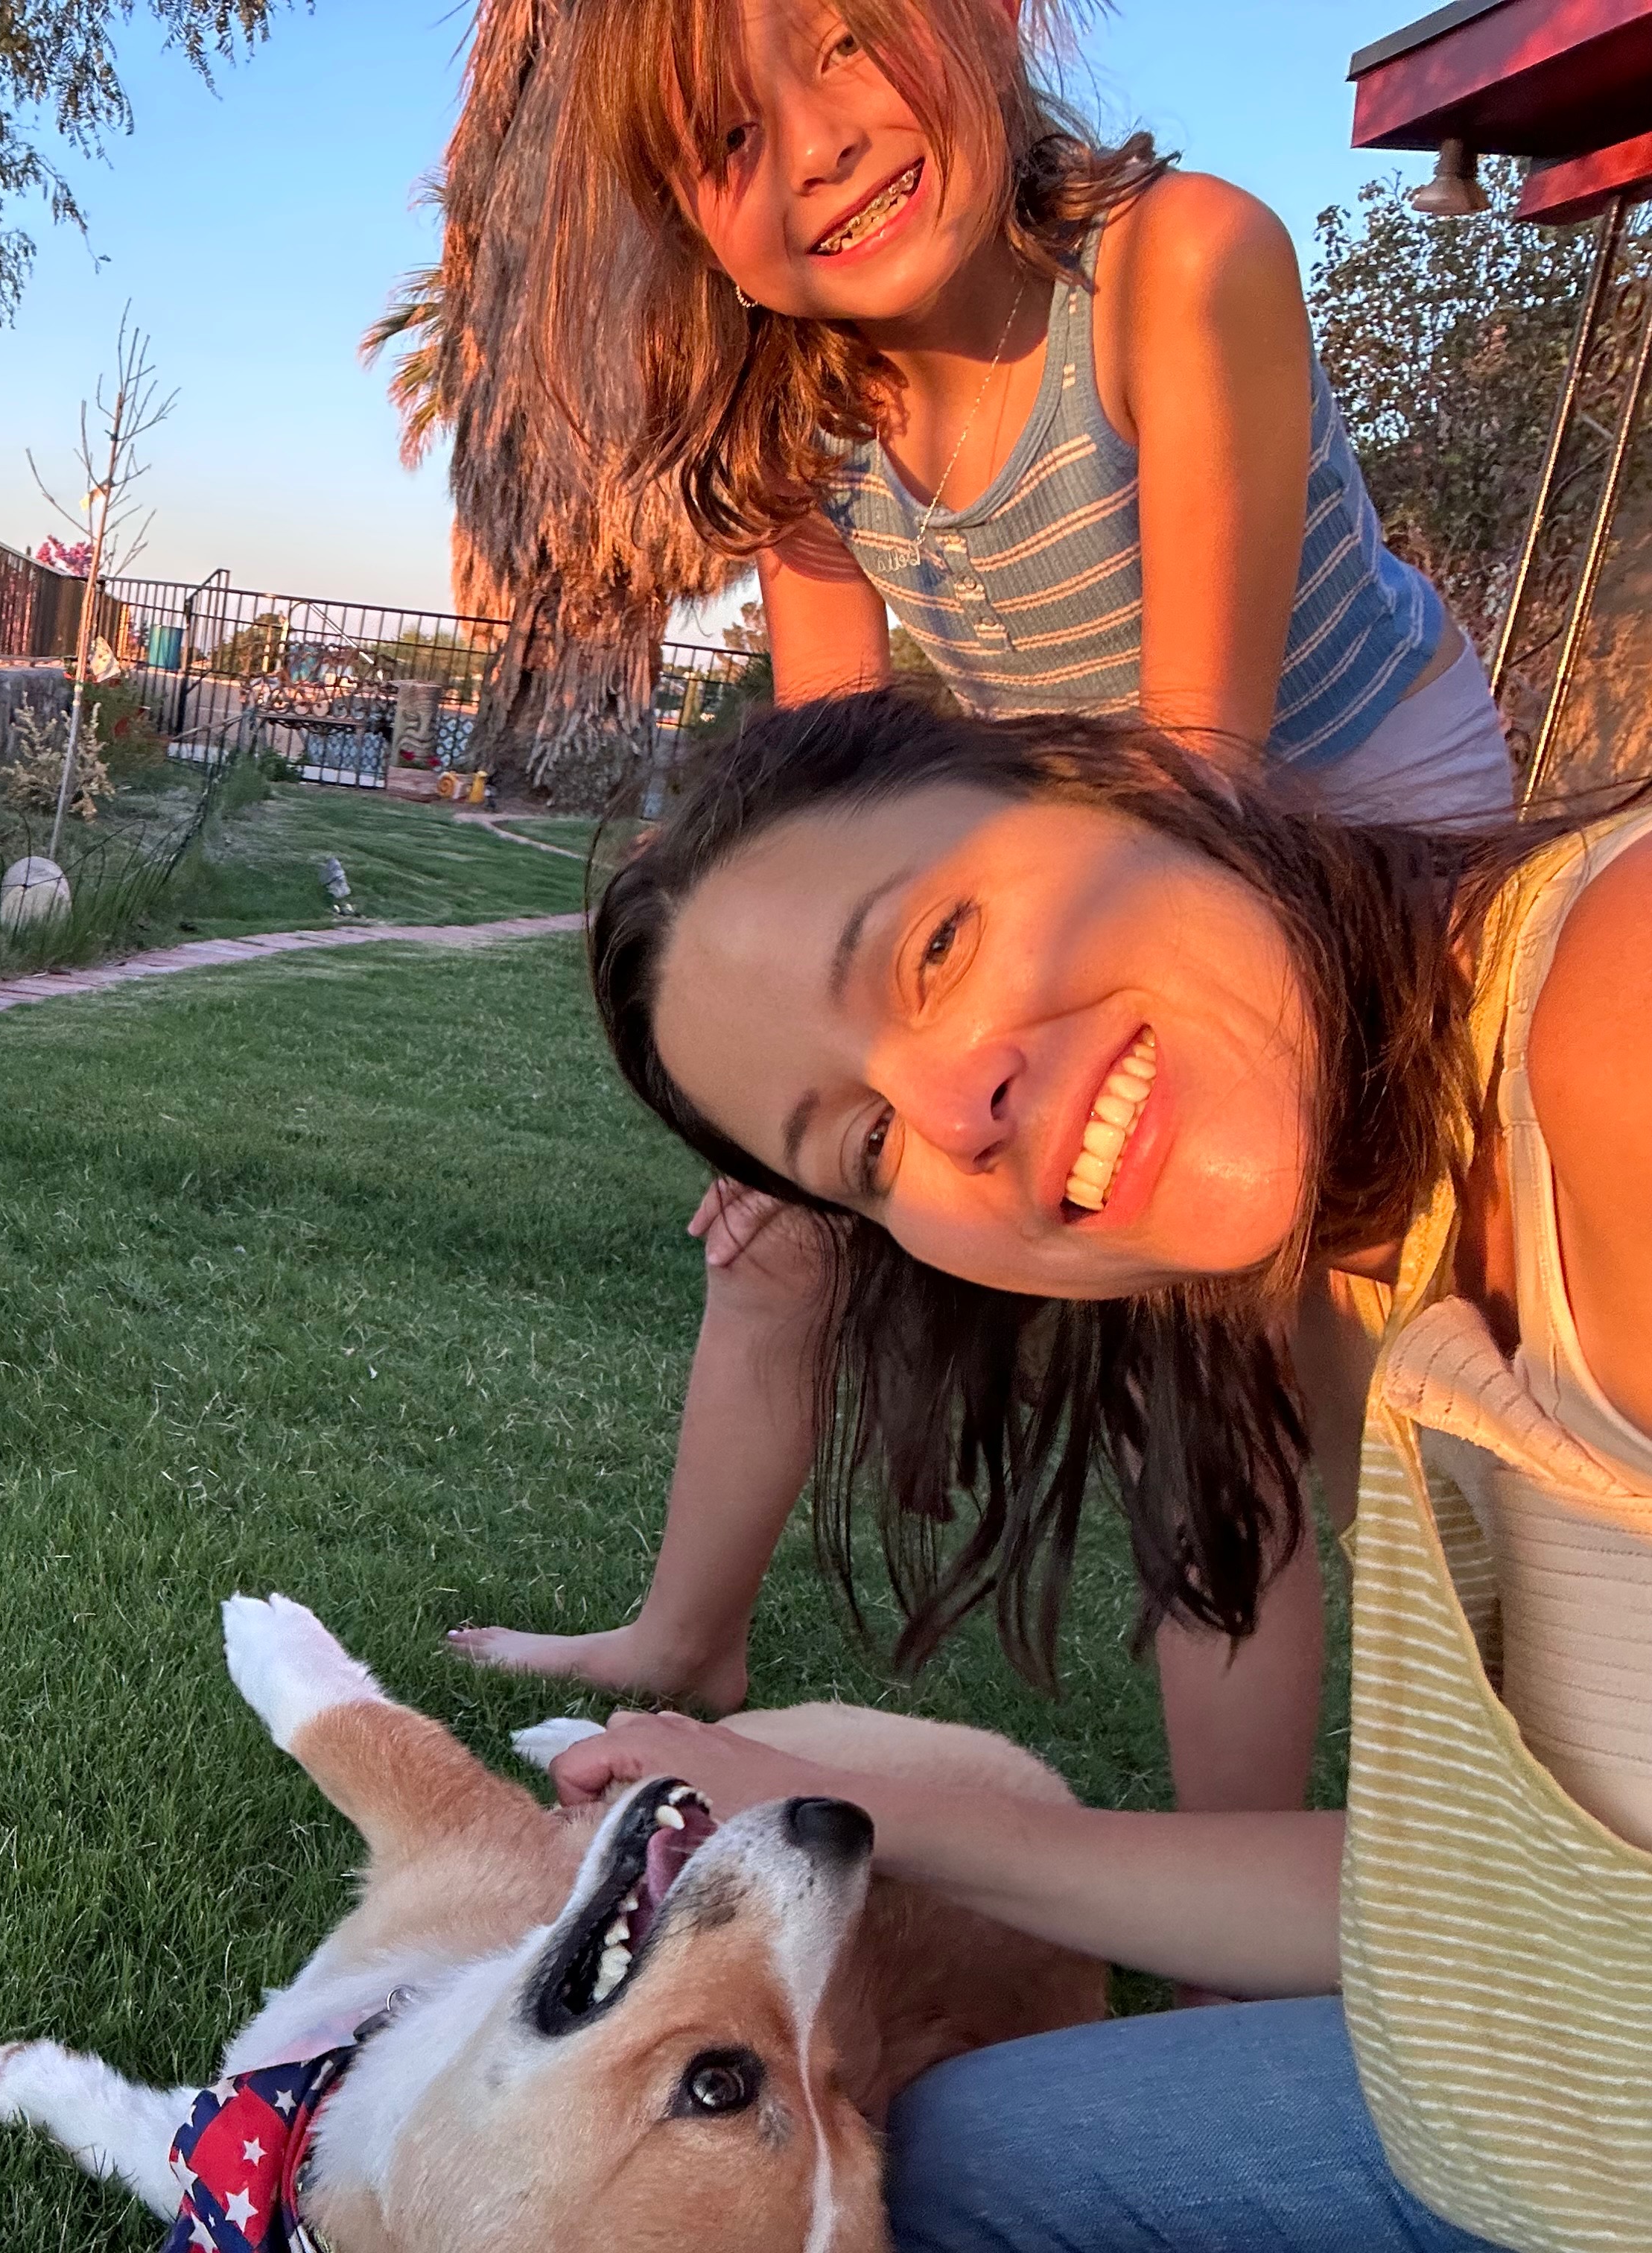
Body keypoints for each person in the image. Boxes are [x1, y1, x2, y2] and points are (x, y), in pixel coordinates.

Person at [446, 0, 1515, 1840]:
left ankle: (1291, 1884)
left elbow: (1200, 794)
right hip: (1119, 840)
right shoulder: (806, 439)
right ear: (694, 220)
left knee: (1260, 1348)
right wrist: (797, 1145)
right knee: (777, 1232)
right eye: (728, 140)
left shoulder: (1184, 271)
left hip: (1347, 813)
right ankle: (690, 1637)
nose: (818, 145)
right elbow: (826, 798)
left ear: (986, 17)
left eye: (849, 44)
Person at [542, 689, 1650, 2251]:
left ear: (1124, 781)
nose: (956, 1112)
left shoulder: (1614, 1019)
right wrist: (851, 1808)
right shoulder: (1337, 1289)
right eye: (867, 1148)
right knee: (926, 2167)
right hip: (1536, 2091)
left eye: (934, 946)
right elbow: (1484, 1893)